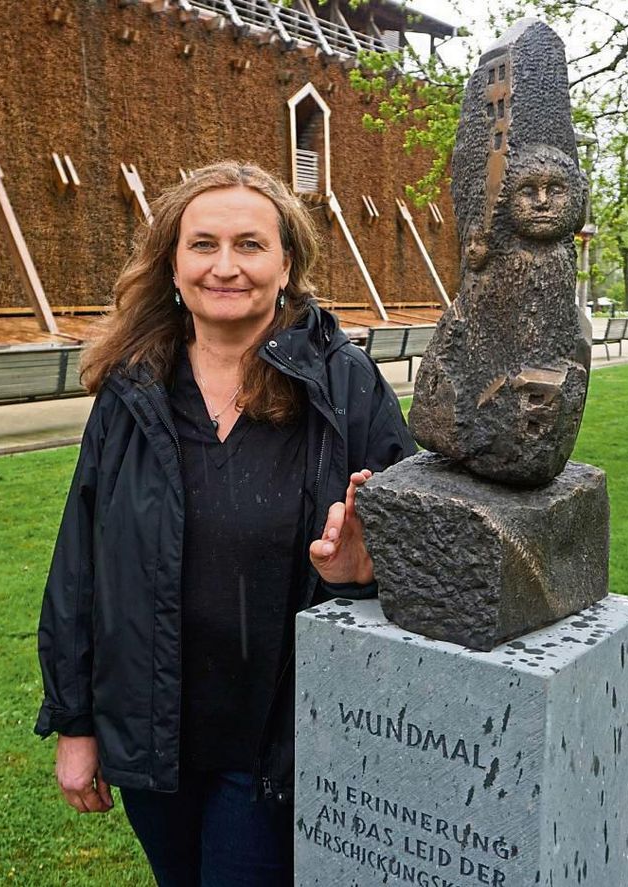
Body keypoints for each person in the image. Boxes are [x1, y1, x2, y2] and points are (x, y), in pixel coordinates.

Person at [35, 161, 415, 886]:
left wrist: (364, 575)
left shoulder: (343, 384)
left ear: (287, 262)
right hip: (155, 739)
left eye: (249, 244)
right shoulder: (134, 389)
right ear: (173, 265)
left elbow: (422, 546)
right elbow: (81, 567)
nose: (226, 266)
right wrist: (75, 723)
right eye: (203, 244)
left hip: (279, 742)